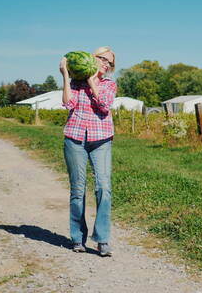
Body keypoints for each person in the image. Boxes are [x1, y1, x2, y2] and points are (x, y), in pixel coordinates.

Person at [59, 47, 117, 256]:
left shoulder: (109, 84)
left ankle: (102, 239)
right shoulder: (75, 83)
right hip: (75, 138)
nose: (105, 63)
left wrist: (93, 82)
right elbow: (68, 103)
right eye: (101, 58)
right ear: (92, 59)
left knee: (103, 187)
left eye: (109, 62)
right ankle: (77, 238)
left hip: (101, 139)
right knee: (77, 190)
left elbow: (104, 105)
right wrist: (65, 75)